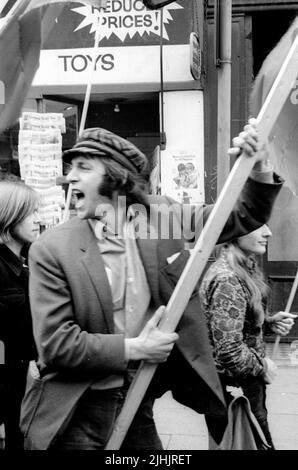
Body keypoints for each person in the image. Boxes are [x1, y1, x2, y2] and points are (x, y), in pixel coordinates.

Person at [20, 120, 284, 450]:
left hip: (138, 397)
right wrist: (136, 348)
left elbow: (243, 215)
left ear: (115, 176)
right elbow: (56, 344)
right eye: (71, 167)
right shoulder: (52, 248)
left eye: (83, 167)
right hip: (75, 411)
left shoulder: (159, 217)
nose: (70, 176)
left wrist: (259, 165)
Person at [199, 223, 297, 449]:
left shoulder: (243, 267)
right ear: (236, 230)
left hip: (240, 383)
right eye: (258, 225)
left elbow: (233, 328)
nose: (269, 232)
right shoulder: (228, 279)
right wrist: (263, 366)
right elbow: (229, 350)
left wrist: (268, 324)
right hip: (235, 387)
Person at [0, 181, 40, 450]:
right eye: (31, 213)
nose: (38, 220)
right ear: (9, 215)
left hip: (22, 383)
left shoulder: (26, 263)